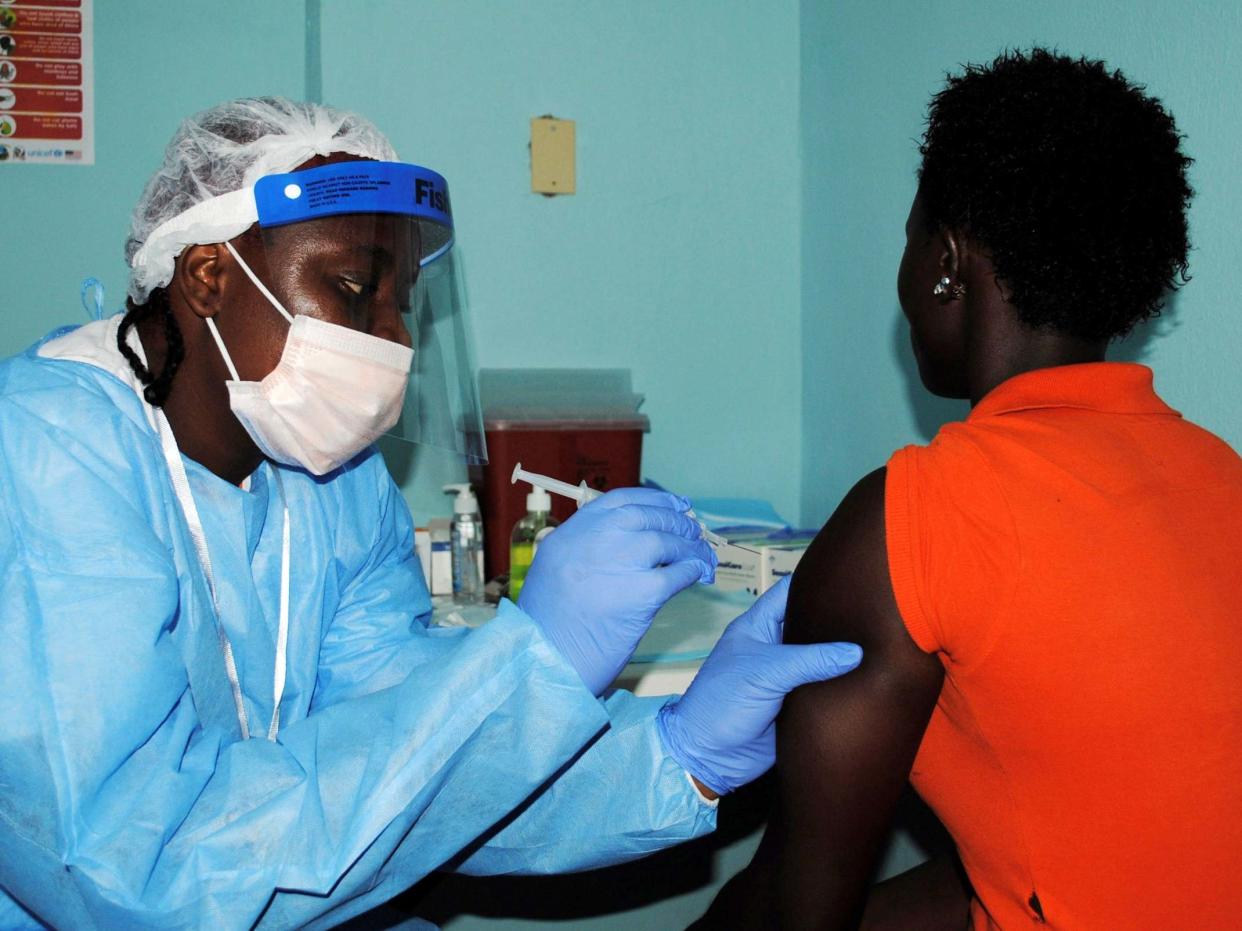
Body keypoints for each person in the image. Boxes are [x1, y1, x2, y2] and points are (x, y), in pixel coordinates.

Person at [0, 97, 863, 929]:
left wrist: (674, 756)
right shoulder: (47, 453)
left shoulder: (333, 483)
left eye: (401, 303)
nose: (394, 339)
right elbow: (133, 873)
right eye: (351, 287)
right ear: (209, 273)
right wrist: (531, 660)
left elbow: (421, 771)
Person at [698, 49, 1242, 929]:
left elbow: (798, 902)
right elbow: (1037, 858)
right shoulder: (1222, 476)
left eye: (913, 238)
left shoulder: (917, 515)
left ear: (945, 264)